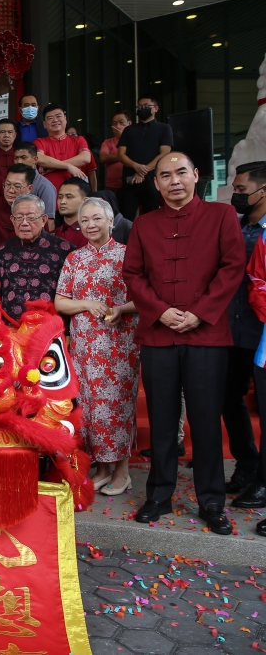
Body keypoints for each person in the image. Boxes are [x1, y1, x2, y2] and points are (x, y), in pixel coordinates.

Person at [123, 152, 244, 535]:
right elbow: (133, 274)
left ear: (195, 175)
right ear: (155, 183)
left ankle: (211, 500)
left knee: (206, 419)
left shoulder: (221, 216)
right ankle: (158, 494)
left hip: (206, 333)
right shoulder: (143, 224)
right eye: (164, 175)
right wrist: (159, 311)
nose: (174, 181)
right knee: (161, 419)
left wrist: (200, 312)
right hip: (159, 334)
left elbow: (232, 267)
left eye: (181, 173)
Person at [54, 197, 139, 495]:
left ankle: (122, 470)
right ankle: (102, 468)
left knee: (118, 406)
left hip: (120, 346)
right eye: (85, 220)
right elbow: (60, 302)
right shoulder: (74, 259)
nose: (90, 225)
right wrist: (87, 303)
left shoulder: (128, 255)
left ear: (110, 221)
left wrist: (121, 309)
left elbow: (144, 297)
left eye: (97, 219)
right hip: (85, 347)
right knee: (90, 408)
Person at [221, 162, 266, 506]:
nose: (235, 195)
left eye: (240, 190)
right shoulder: (234, 227)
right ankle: (247, 465)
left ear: (261, 192)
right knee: (228, 399)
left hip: (263, 334)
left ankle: (263, 480)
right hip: (233, 333)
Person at [0, 194, 75, 320]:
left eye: (31, 218)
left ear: (43, 220)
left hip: (50, 328)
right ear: (12, 220)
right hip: (11, 327)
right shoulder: (2, 251)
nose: (24, 223)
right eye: (19, 218)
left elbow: (71, 295)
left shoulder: (64, 250)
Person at [117, 95, 174, 219]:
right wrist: (136, 166)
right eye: (140, 106)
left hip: (151, 180)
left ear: (156, 109)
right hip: (129, 181)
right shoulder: (129, 130)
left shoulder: (164, 128)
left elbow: (164, 153)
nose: (142, 109)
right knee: (125, 219)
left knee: (151, 219)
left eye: (147, 106)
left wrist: (143, 172)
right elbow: (121, 154)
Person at [0, 164, 38, 250]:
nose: (10, 190)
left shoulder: (37, 210)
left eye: (17, 186)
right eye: (8, 184)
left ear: (29, 188)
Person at [34, 104, 91, 189]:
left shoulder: (79, 140)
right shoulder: (39, 142)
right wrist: (68, 166)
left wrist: (52, 167)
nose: (55, 120)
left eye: (58, 116)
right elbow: (39, 158)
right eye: (50, 118)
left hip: (76, 191)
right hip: (49, 191)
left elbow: (86, 158)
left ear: (65, 119)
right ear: (44, 124)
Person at [13, 141, 58, 220]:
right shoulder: (11, 182)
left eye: (23, 157)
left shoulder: (45, 186)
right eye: (16, 158)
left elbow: (49, 221)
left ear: (35, 159)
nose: (19, 162)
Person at [53, 177, 91, 248]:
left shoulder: (93, 235)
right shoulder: (53, 234)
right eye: (60, 197)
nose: (62, 202)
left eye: (69, 197)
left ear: (85, 201)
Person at [100, 111, 130, 191]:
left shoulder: (136, 140)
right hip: (112, 186)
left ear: (129, 123)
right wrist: (123, 155)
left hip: (132, 184)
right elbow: (103, 158)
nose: (118, 126)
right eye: (114, 123)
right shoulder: (107, 142)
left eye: (121, 122)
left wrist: (123, 138)